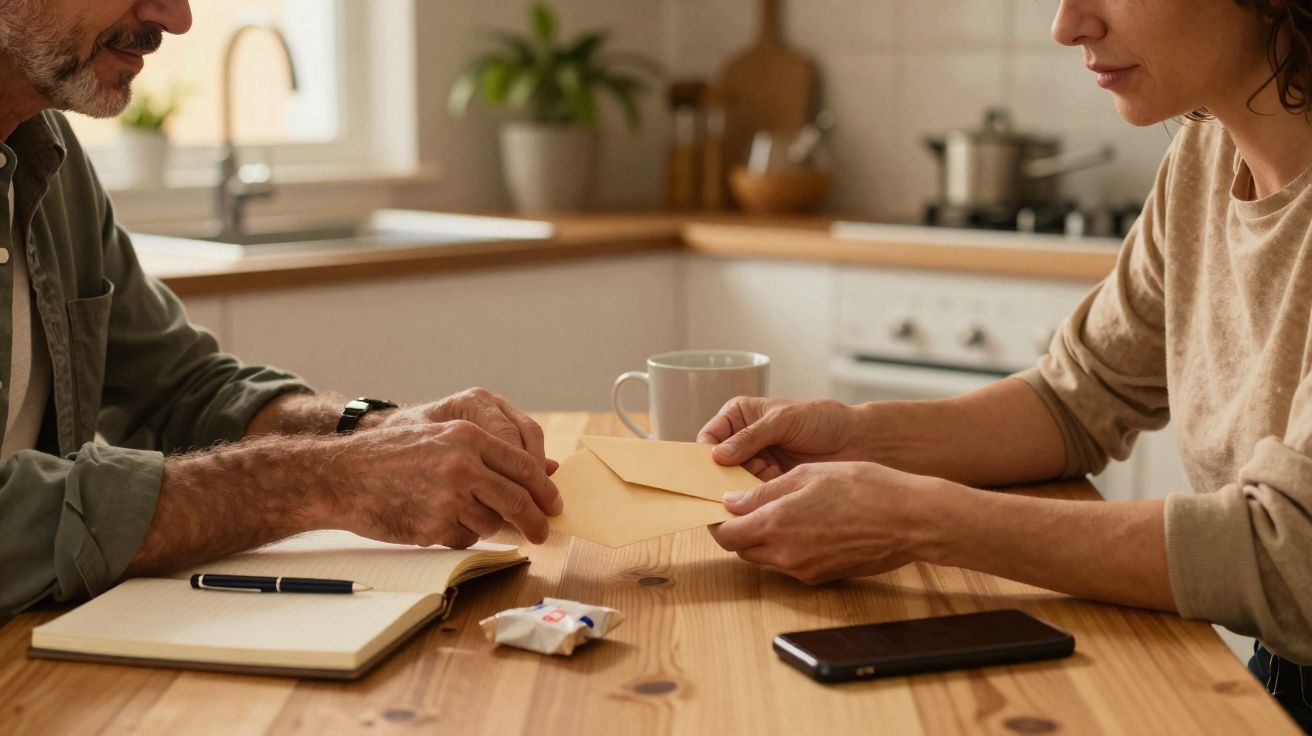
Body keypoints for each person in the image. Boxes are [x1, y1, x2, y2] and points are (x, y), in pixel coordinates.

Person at [699, 0, 1312, 729]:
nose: (1067, 25)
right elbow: (1076, 397)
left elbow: (1293, 557)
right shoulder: (1204, 159)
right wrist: (859, 436)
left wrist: (917, 518)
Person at [0, 0, 563, 620]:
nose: (176, 18)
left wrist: (372, 430)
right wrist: (327, 480)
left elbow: (179, 389)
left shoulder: (49, 155)